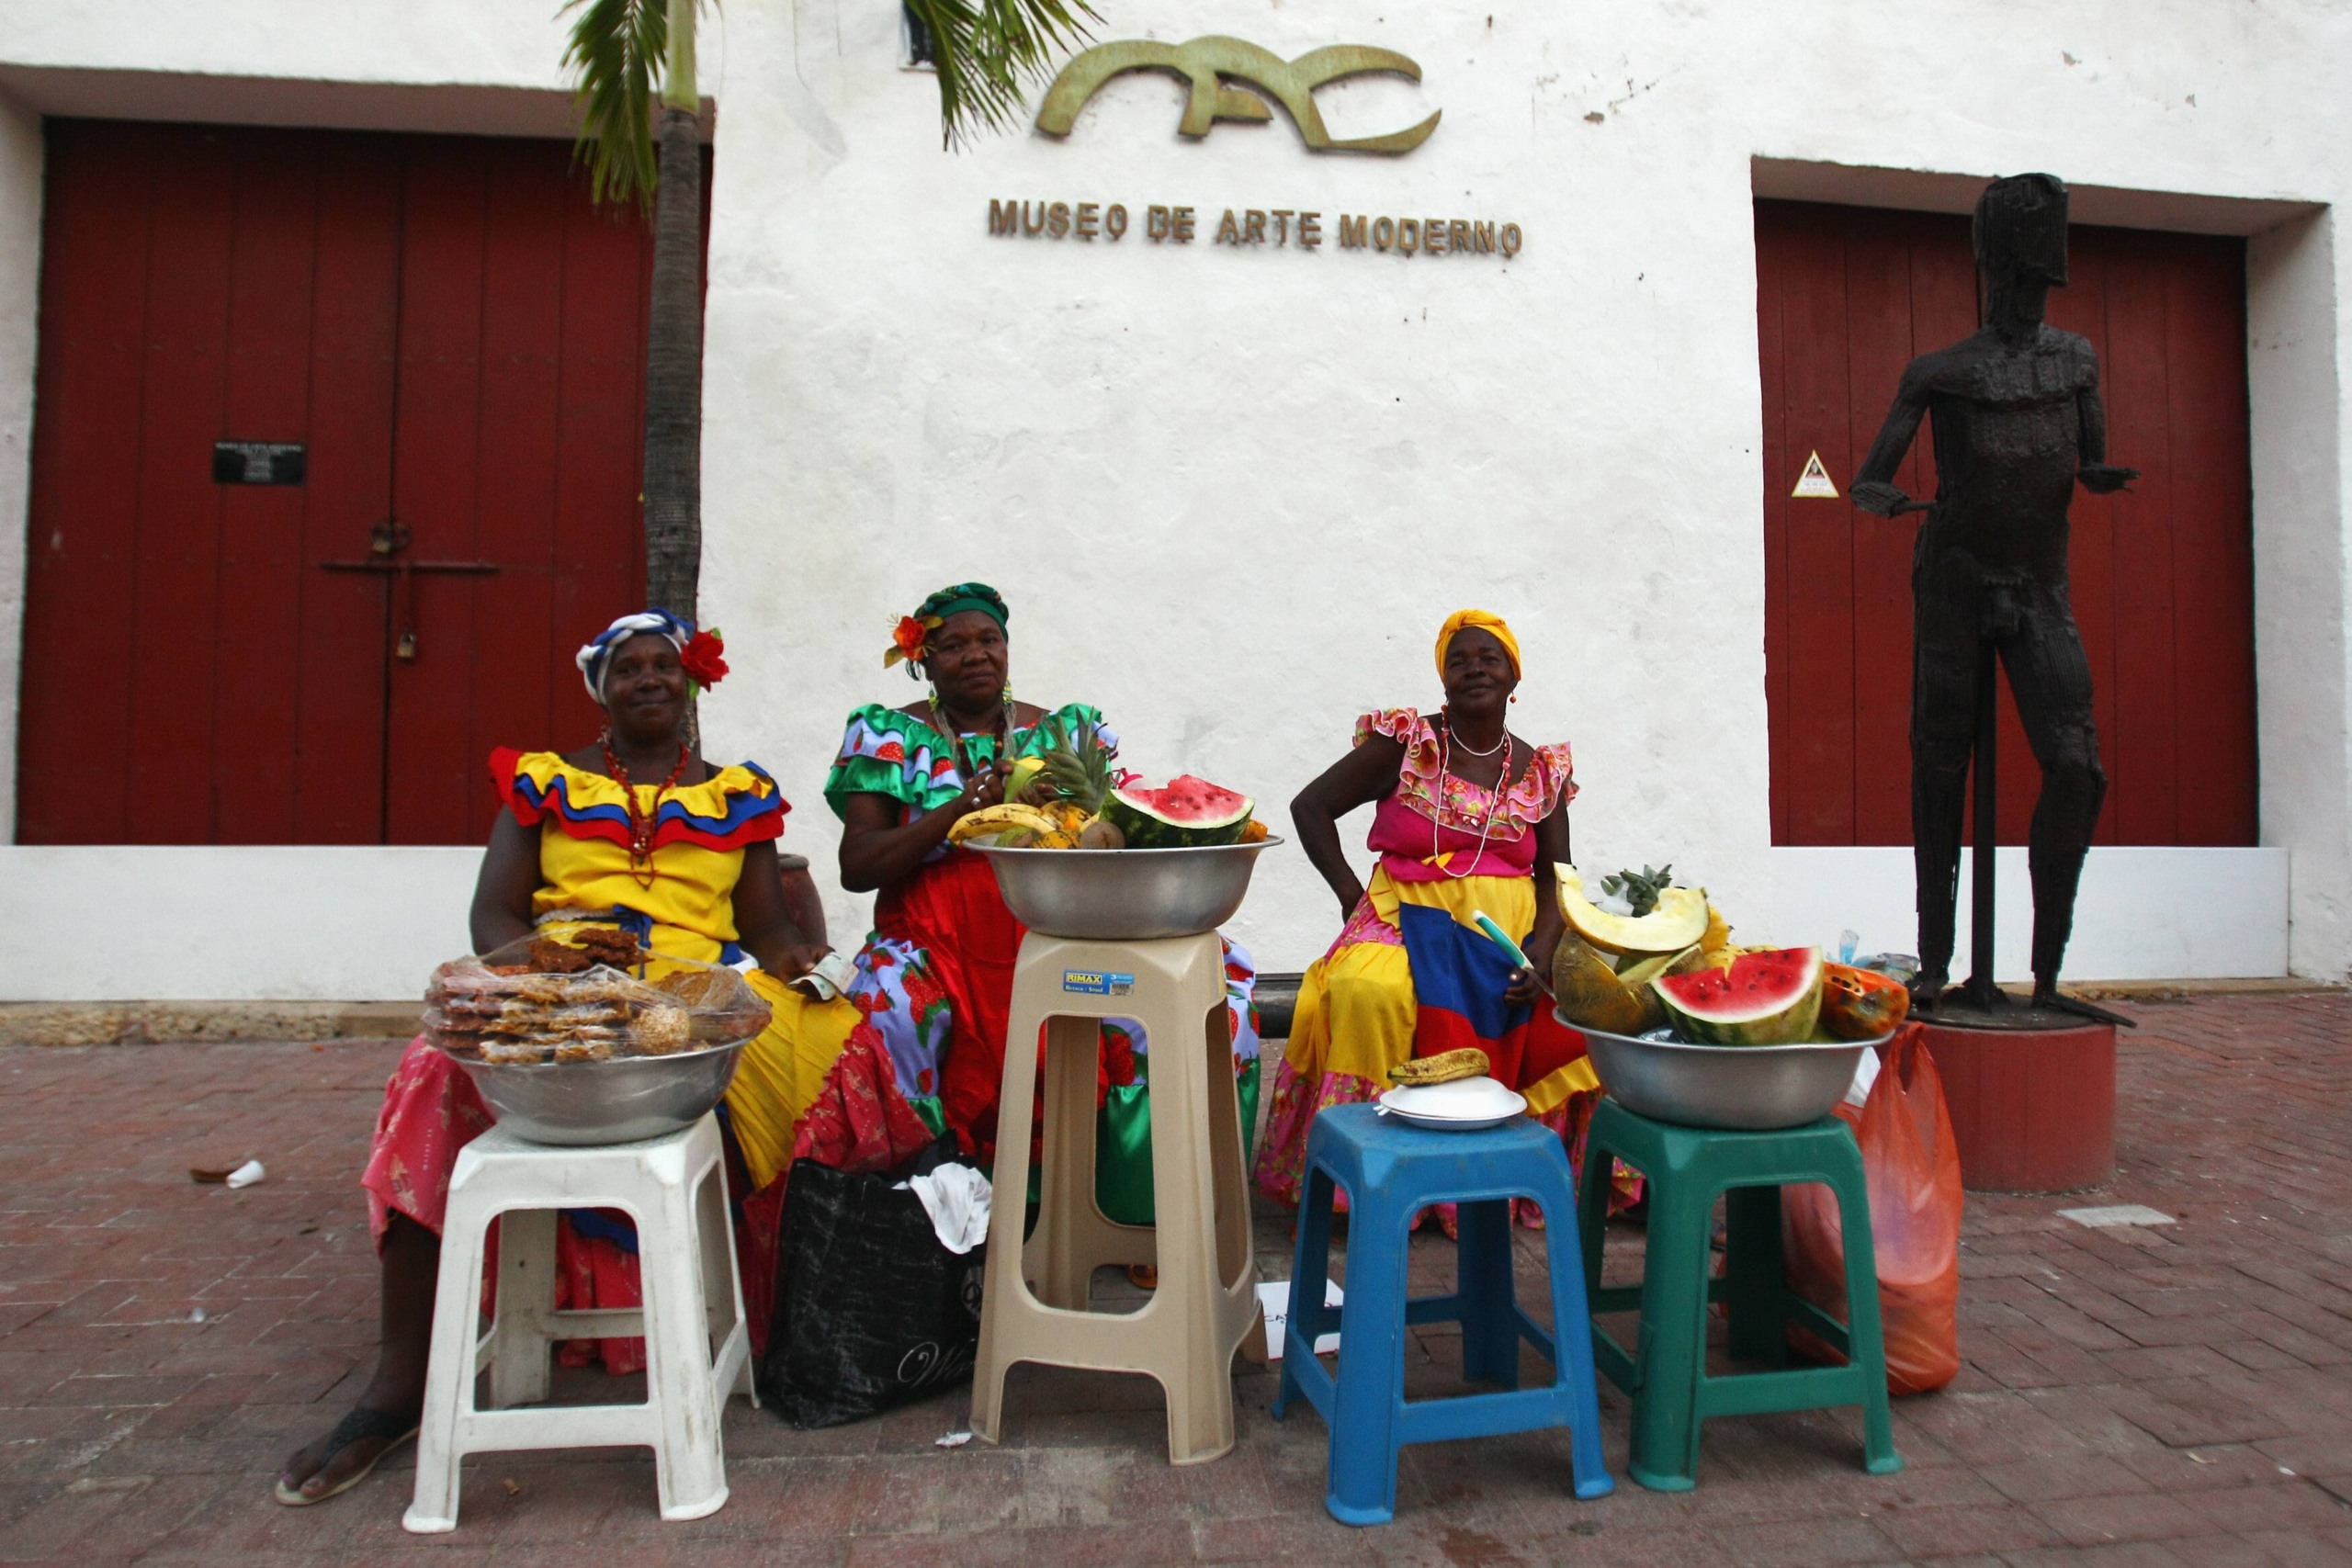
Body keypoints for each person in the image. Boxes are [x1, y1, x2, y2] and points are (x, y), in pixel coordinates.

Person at [276, 611, 860, 1506]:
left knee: (830, 1053)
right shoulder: (544, 783)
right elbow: (494, 919)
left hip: (690, 995)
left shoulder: (739, 794)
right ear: (603, 688)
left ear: (692, 681)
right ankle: (396, 1391)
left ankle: (769, 1312)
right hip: (565, 981)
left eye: (666, 665)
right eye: (629, 668)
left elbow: (767, 928)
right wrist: (558, 972)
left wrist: (808, 966)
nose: (651, 680)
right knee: (435, 1075)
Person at [814, 581, 1259, 1200]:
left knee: (1201, 1000)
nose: (975, 655)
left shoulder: (1065, 732)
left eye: (989, 639)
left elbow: (1112, 831)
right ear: (924, 660)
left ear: (1007, 648)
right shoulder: (888, 734)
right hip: (930, 935)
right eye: (952, 645)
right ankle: (914, 1215)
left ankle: (1143, 1208)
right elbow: (857, 864)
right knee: (888, 1011)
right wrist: (958, 813)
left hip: (1062, 923)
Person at [1254, 609, 1623, 1224]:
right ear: (1443, 679)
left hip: (1505, 937)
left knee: (1582, 1016)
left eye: (1490, 658)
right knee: (1367, 991)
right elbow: (1310, 806)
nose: (1474, 667)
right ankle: (1361, 1182)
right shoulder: (1408, 744)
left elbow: (1558, 874)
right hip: (1407, 914)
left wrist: (1541, 946)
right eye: (1459, 659)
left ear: (1513, 677)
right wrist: (1351, 895)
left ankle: (1507, 1178)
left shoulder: (1539, 771)